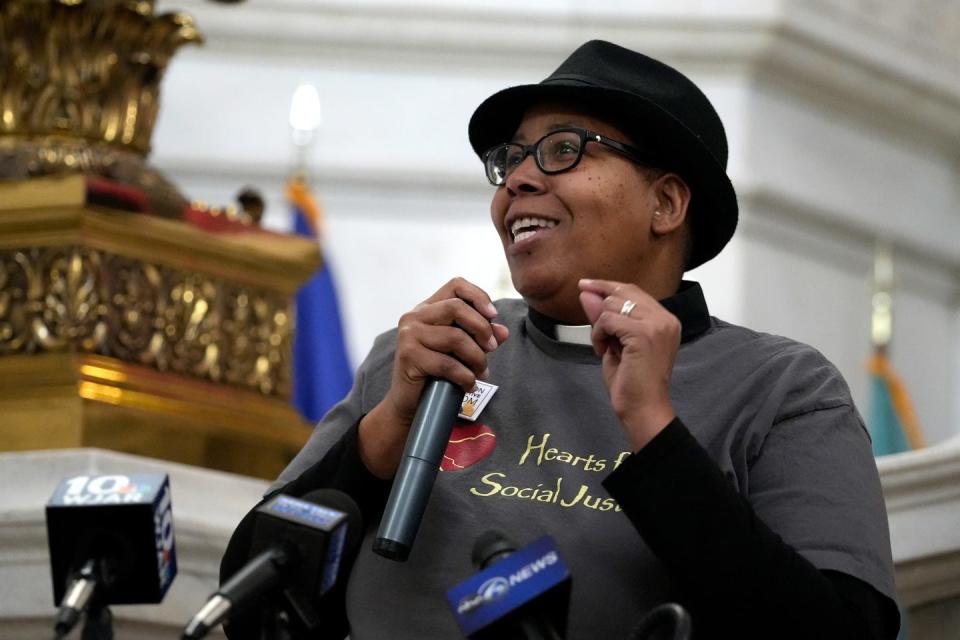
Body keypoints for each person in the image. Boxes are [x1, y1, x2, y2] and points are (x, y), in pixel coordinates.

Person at [222, 40, 899, 639]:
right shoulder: (428, 356)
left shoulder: (782, 387)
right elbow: (248, 599)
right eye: (510, 159)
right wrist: (383, 431)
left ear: (666, 204)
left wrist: (655, 430)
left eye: (564, 150)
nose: (517, 178)